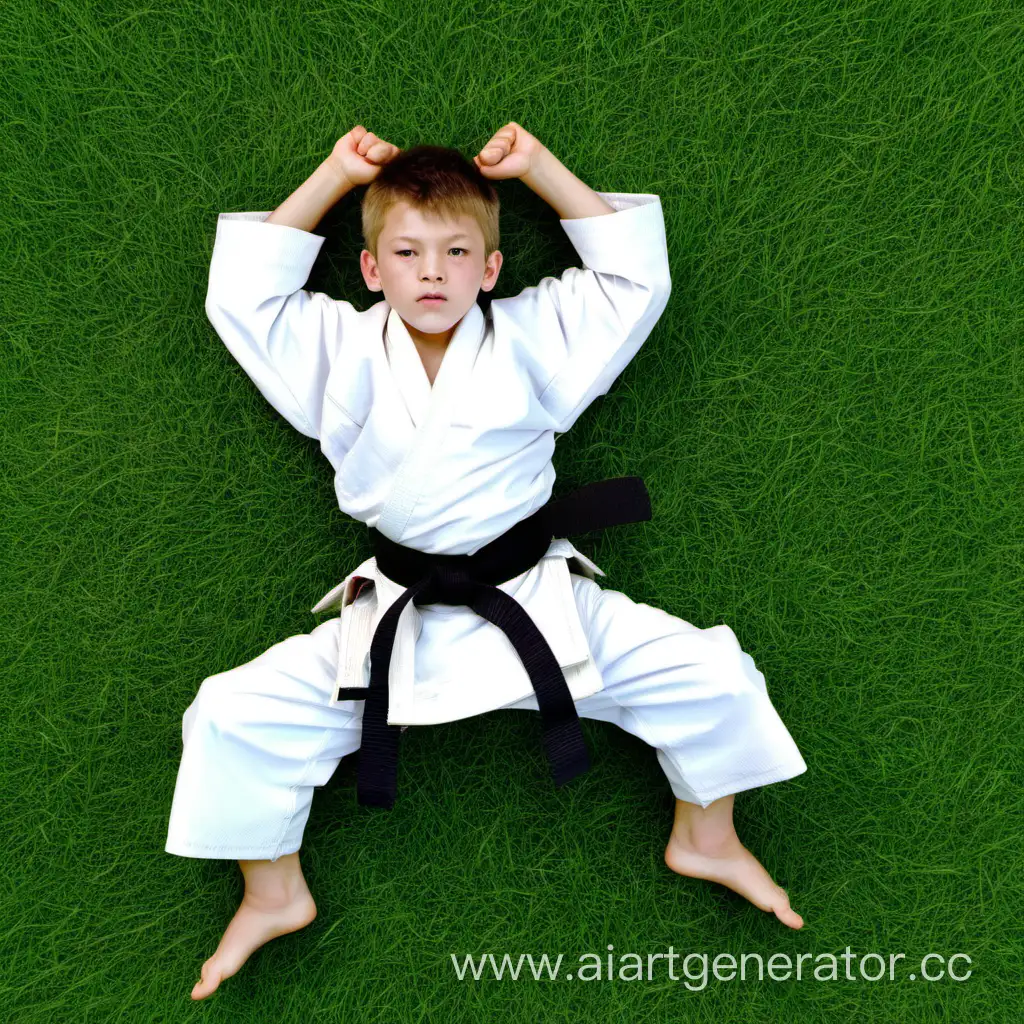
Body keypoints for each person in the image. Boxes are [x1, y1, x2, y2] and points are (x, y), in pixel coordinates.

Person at [166, 122, 808, 1001]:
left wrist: (541, 168)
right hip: (398, 620)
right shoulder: (340, 348)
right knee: (230, 714)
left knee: (716, 676)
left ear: (492, 270)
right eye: (408, 251)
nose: (432, 272)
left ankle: (706, 835)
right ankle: (273, 893)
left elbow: (633, 280)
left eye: (457, 250)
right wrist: (333, 175)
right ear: (370, 270)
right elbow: (244, 299)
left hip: (539, 605)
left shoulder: (534, 337)